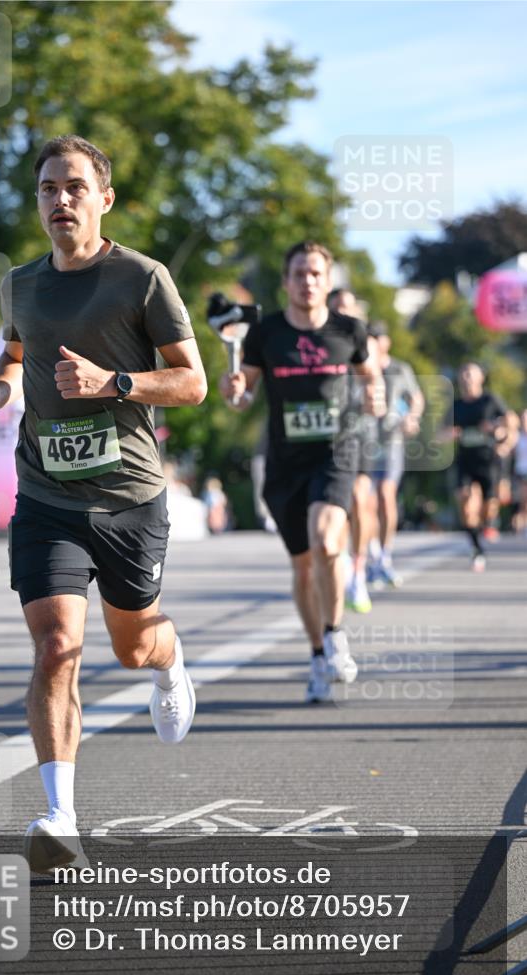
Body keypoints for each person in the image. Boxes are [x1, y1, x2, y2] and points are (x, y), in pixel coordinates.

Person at [0, 135, 207, 872]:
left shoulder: (142, 278)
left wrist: (115, 383)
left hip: (129, 497)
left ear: (104, 198)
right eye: (48, 188)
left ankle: (169, 661)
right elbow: (17, 352)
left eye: (74, 186)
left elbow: (192, 382)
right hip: (47, 496)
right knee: (56, 647)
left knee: (132, 647)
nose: (60, 199)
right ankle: (59, 815)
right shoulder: (21, 285)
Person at [220, 241, 385, 704]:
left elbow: (372, 378)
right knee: (303, 566)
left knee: (327, 540)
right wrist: (233, 390)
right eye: (299, 273)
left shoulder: (350, 330)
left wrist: (376, 398)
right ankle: (317, 655)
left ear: (328, 282)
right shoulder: (266, 333)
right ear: (286, 281)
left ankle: (335, 634)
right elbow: (243, 396)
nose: (307, 281)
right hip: (284, 463)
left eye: (315, 274)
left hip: (335, 452)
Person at [328, 290, 381, 615]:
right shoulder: (319, 340)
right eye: (337, 309)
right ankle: (344, 562)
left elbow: (377, 382)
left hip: (360, 431)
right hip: (329, 434)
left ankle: (359, 570)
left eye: (347, 308)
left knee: (360, 500)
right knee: (339, 507)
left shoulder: (365, 341)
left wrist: (377, 398)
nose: (342, 313)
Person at [367, 327, 424, 588]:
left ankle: (385, 556)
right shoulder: (359, 366)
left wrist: (412, 417)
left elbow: (416, 399)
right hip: (364, 442)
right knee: (365, 502)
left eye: (377, 338)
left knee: (386, 495)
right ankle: (371, 556)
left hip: (392, 441)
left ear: (386, 341)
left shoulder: (400, 369)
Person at [447, 362, 509, 571]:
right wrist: (450, 434)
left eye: (470, 374)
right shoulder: (456, 406)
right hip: (465, 460)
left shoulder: (490, 400)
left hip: (488, 460)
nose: (466, 378)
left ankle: (487, 525)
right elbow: (440, 433)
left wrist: (499, 433)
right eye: (463, 374)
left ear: (481, 378)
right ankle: (476, 547)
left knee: (489, 507)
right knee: (466, 504)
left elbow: (510, 422)